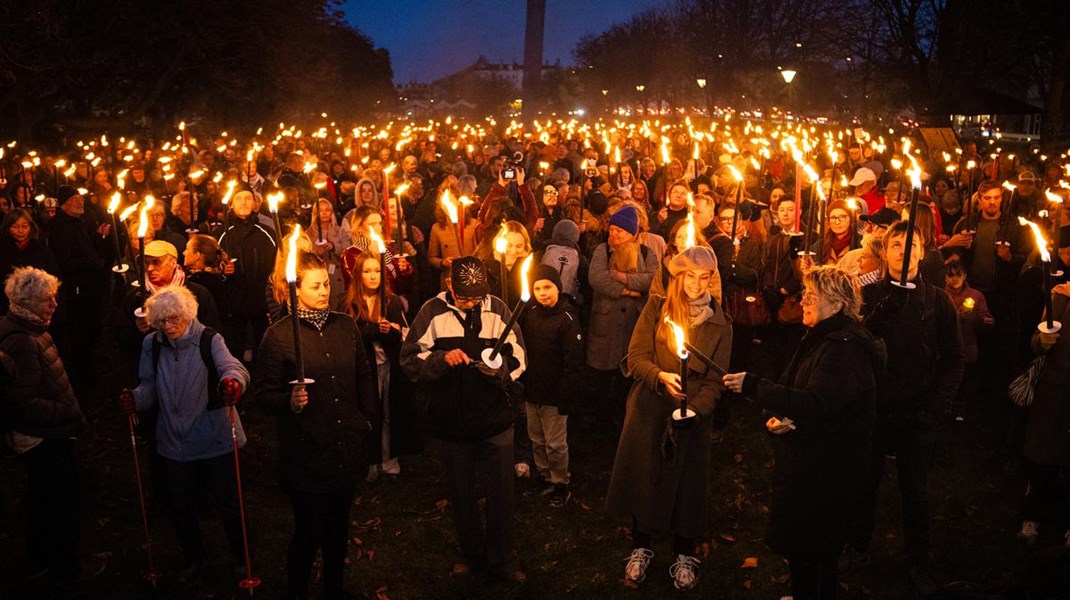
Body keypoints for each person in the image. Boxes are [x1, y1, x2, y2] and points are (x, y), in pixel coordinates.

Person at [724, 266, 885, 600]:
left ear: (838, 305)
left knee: (814, 548)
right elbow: (791, 385)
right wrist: (776, 413)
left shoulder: (844, 349)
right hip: (810, 462)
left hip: (827, 471)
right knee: (804, 547)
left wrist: (753, 386)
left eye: (814, 295)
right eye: (805, 293)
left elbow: (816, 402)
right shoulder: (818, 338)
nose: (804, 301)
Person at [841, 220, 965, 594]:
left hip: (917, 412)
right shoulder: (869, 294)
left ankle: (918, 560)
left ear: (923, 252)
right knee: (864, 481)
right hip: (875, 409)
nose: (904, 251)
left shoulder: (938, 301)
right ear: (885, 251)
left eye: (912, 245)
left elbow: (953, 359)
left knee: (916, 490)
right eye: (896, 244)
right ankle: (857, 545)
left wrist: (934, 407)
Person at [605, 245, 731, 591]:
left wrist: (696, 409)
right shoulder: (657, 309)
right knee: (647, 477)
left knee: (688, 484)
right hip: (650, 408)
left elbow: (715, 381)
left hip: (692, 417)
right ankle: (641, 545)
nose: (696, 284)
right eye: (690, 276)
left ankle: (684, 552)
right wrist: (660, 377)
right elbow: (636, 356)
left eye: (704, 277)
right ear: (678, 277)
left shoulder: (721, 324)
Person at [254, 250, 377, 600]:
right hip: (308, 452)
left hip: (345, 445)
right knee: (309, 531)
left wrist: (366, 420)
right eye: (316, 285)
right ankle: (298, 590)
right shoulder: (278, 337)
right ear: (295, 289)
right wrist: (288, 402)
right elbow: (264, 395)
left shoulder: (345, 325)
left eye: (327, 283)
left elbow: (363, 375)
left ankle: (334, 589)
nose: (325, 291)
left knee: (338, 529)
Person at [399, 256, 528, 583]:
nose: (471, 303)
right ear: (449, 287)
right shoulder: (432, 312)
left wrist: (499, 370)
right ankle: (469, 552)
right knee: (462, 493)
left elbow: (519, 357)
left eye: (476, 297)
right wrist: (440, 360)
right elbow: (410, 359)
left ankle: (504, 557)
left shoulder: (497, 310)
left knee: (501, 492)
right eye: (464, 297)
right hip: (451, 422)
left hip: (494, 419)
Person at [118, 286, 250, 581]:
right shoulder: (152, 344)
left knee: (228, 501)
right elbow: (149, 386)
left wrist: (233, 383)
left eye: (174, 318)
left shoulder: (209, 339)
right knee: (181, 505)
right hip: (173, 440)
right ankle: (194, 558)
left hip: (214, 435)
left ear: (188, 314)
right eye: (162, 321)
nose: (169, 326)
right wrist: (135, 399)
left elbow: (232, 367)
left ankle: (242, 556)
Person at [0, 267, 96, 583]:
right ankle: (63, 569)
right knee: (60, 503)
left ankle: (43, 562)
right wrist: (65, 412)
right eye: (47, 301)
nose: (55, 305)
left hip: (47, 433)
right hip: (43, 438)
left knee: (44, 500)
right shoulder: (21, 341)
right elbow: (23, 402)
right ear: (27, 304)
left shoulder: (33, 329)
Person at [345, 250, 420, 482]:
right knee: (370, 412)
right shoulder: (350, 304)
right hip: (365, 369)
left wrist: (393, 333)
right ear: (358, 275)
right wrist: (372, 330)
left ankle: (389, 459)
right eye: (367, 271)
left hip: (388, 365)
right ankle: (370, 461)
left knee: (389, 411)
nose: (373, 276)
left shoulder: (391, 301)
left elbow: (401, 335)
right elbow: (349, 336)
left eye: (377, 271)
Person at [587, 205, 658, 427]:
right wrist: (626, 291)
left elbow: (651, 279)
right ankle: (599, 420)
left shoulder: (647, 253)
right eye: (612, 229)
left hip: (633, 324)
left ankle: (624, 419)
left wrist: (620, 276)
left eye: (620, 230)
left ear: (633, 233)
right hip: (605, 323)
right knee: (601, 375)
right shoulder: (602, 250)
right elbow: (597, 278)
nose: (613, 234)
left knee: (627, 375)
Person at [519, 264, 584, 507]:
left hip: (555, 395)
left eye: (547, 287)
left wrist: (568, 394)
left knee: (555, 442)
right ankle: (545, 476)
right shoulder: (531, 314)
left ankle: (560, 481)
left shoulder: (567, 319)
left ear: (557, 287)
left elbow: (573, 361)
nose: (543, 292)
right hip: (532, 390)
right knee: (536, 438)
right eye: (537, 288)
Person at [1018, 281, 1070, 545]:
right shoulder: (1061, 296)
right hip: (1056, 389)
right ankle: (1032, 516)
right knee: (1042, 459)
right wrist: (1043, 340)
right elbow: (1036, 342)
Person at [217, 190, 277, 362]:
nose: (243, 203)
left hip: (261, 303)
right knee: (233, 350)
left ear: (255, 204)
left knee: (264, 349)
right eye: (239, 199)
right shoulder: (221, 233)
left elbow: (275, 265)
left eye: (248, 199)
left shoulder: (266, 233)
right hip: (232, 305)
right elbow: (211, 268)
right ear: (231, 204)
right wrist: (223, 272)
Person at [943, 259, 993, 421]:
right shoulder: (941, 295)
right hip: (946, 349)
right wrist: (955, 317)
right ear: (945, 277)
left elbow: (984, 317)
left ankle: (960, 410)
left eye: (958, 275)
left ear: (965, 276)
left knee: (965, 382)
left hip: (968, 347)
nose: (954, 279)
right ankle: (945, 408)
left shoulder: (976, 296)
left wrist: (986, 320)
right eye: (950, 275)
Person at [0, 209, 60, 314]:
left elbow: (54, 278)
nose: (20, 231)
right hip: (6, 308)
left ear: (31, 227)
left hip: (37, 309)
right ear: (7, 228)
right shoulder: (2, 250)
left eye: (24, 226)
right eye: (15, 227)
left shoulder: (42, 251)